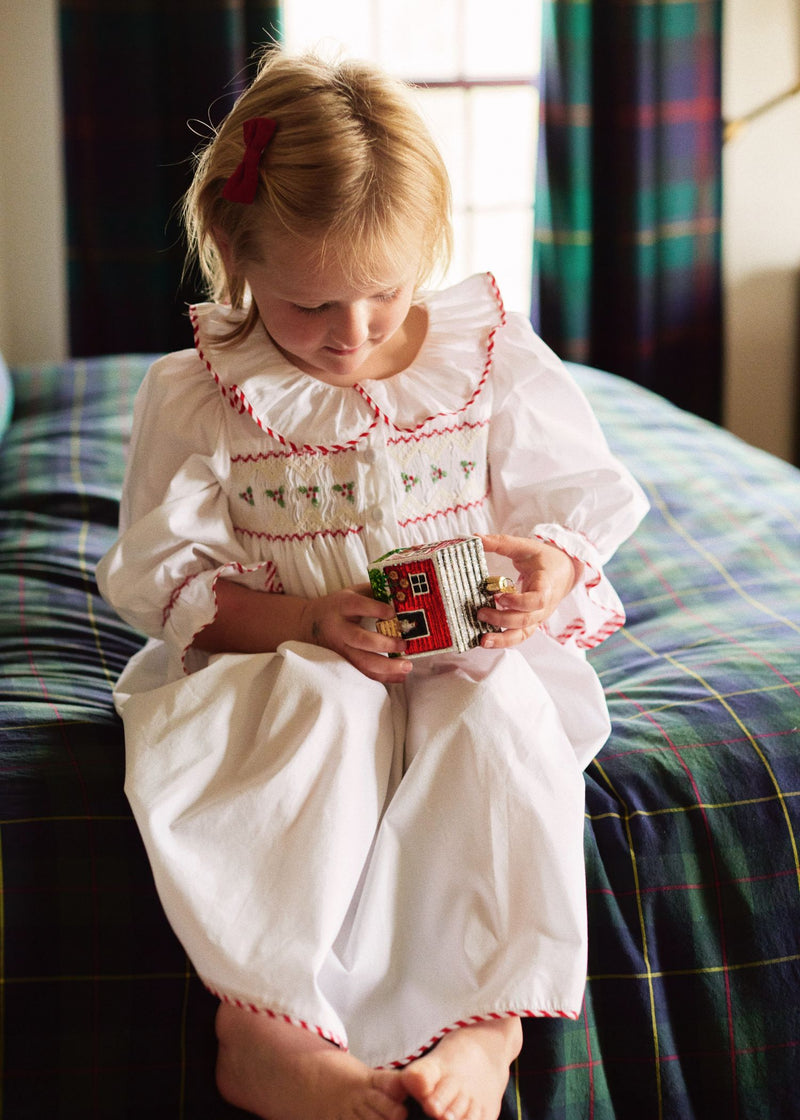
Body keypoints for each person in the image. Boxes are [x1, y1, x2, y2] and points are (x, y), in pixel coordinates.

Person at [97, 48, 648, 1120]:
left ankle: (484, 1030)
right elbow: (165, 577)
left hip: (457, 642)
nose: (350, 334)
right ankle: (264, 1027)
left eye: (382, 296)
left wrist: (547, 566)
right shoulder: (201, 394)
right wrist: (305, 616)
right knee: (316, 721)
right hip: (286, 648)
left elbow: (573, 498)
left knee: (495, 733)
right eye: (308, 307)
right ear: (235, 254)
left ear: (425, 254)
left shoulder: (486, 355)